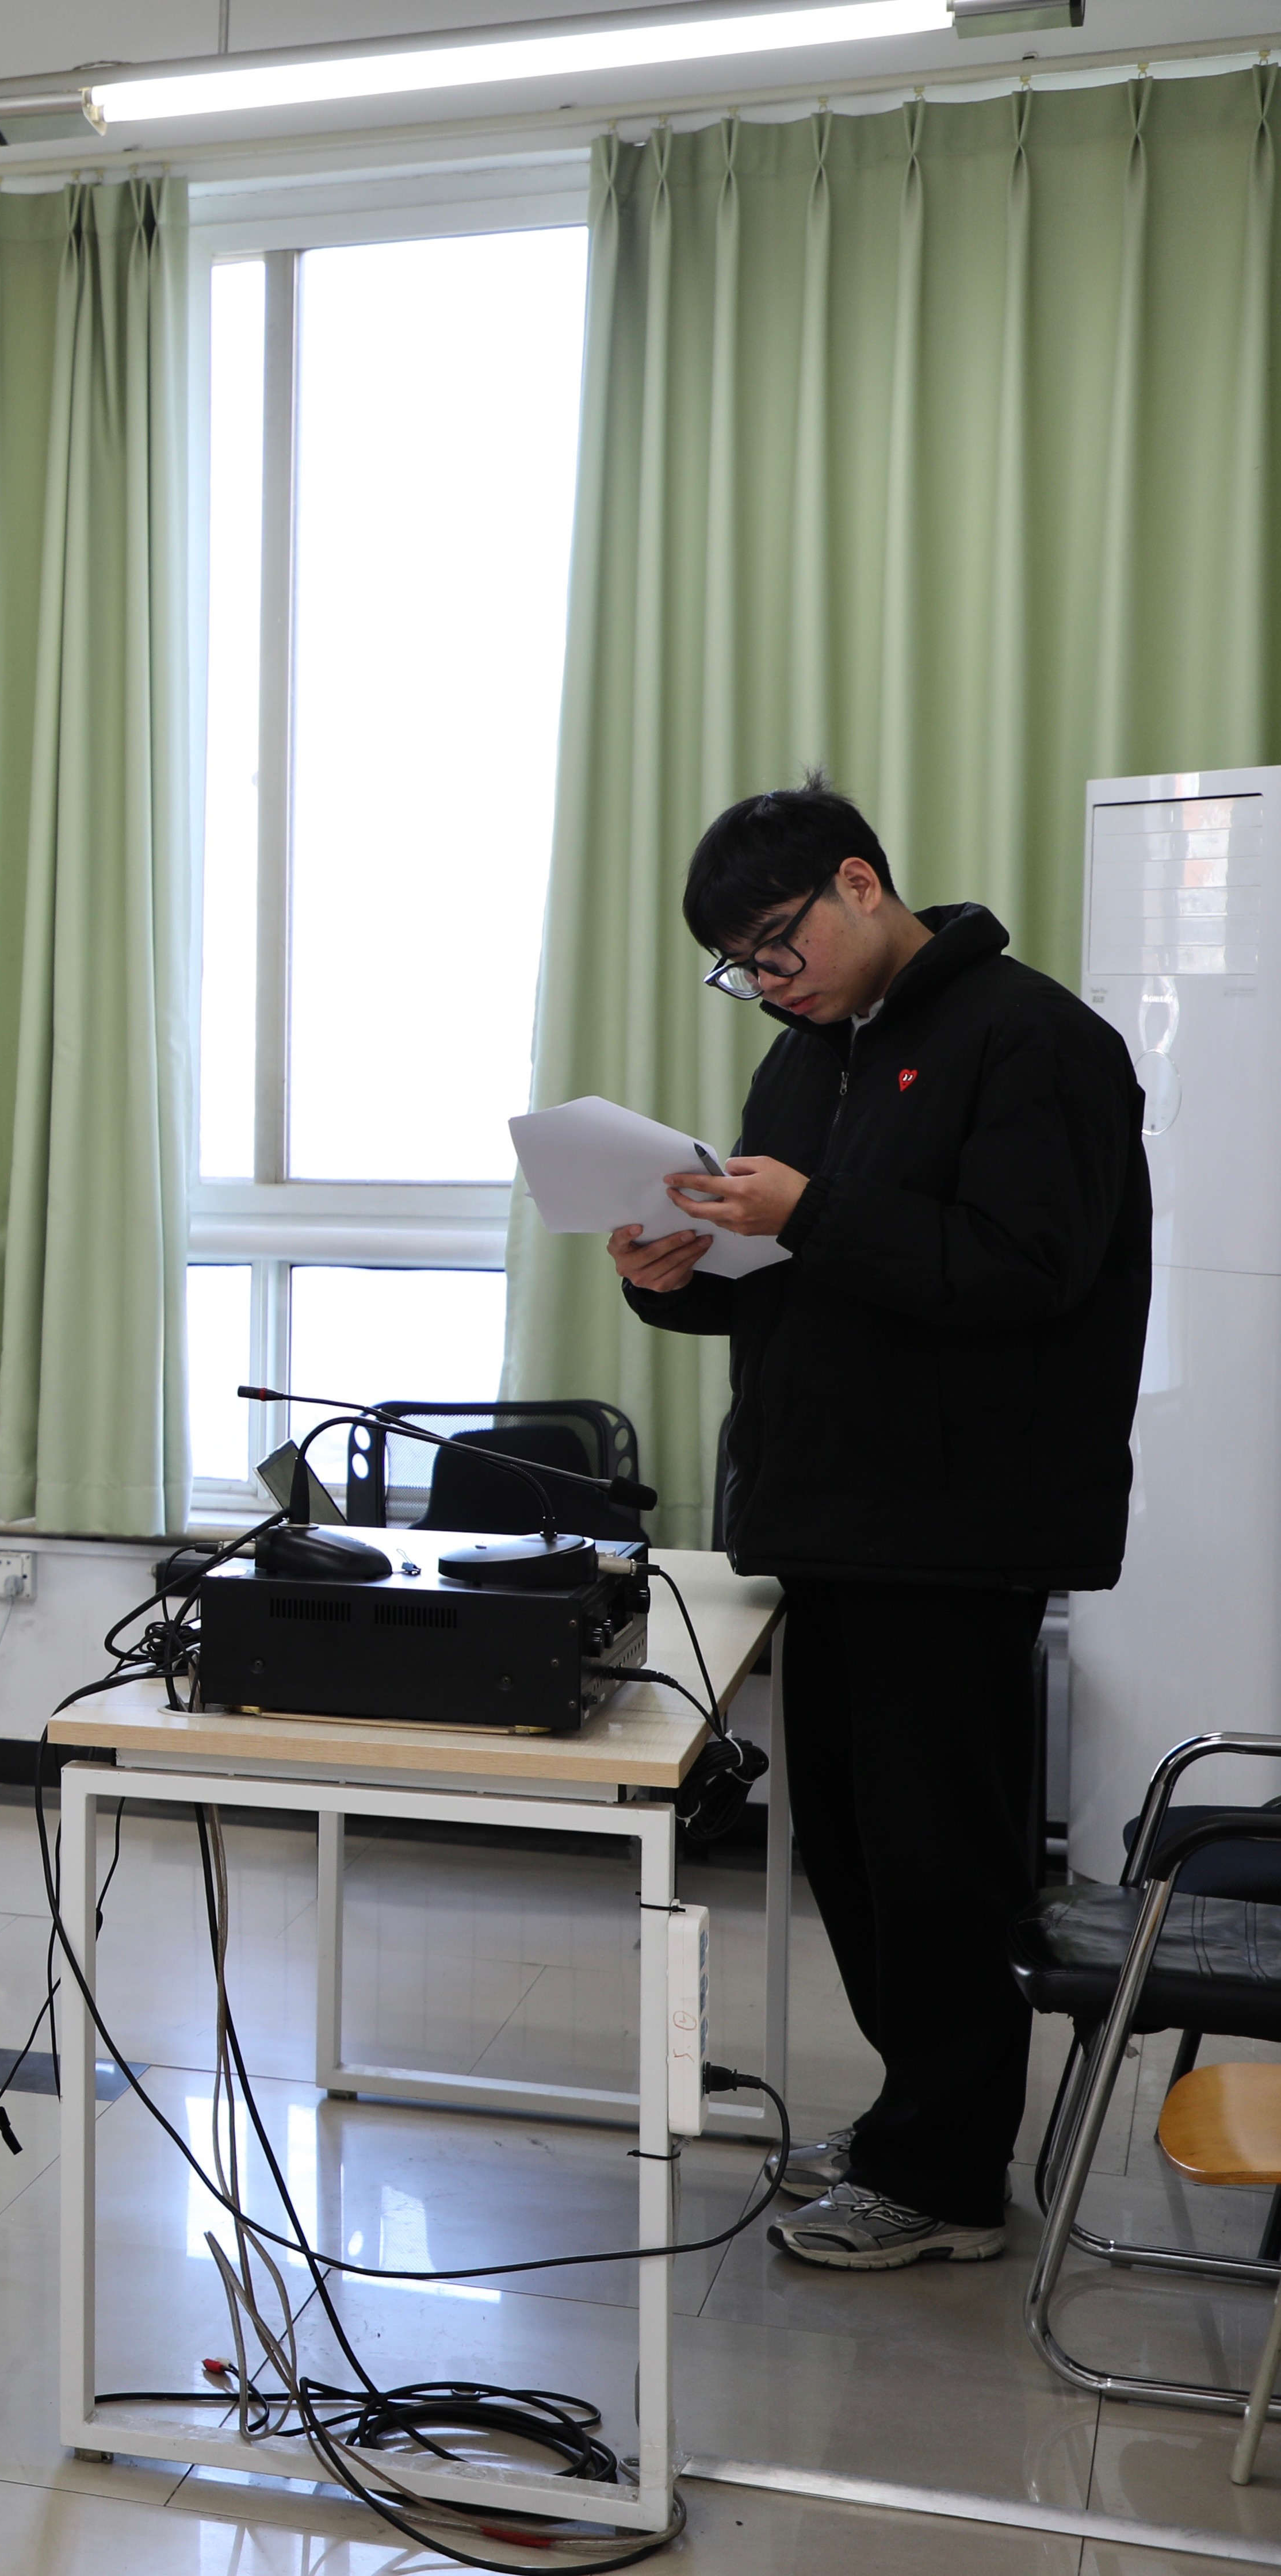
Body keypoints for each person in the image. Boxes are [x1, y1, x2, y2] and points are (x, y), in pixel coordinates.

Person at [613, 776, 1148, 2272]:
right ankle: (918, 2119)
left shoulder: (1035, 1039)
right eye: (741, 967)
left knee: (941, 1857)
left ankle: (949, 2176)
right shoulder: (805, 1059)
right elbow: (803, 1285)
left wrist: (805, 1214)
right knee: (849, 1848)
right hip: (827, 1513)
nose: (768, 982)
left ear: (860, 883)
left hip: (959, 1523)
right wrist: (679, 1276)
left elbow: (1025, 1267)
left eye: (776, 945)